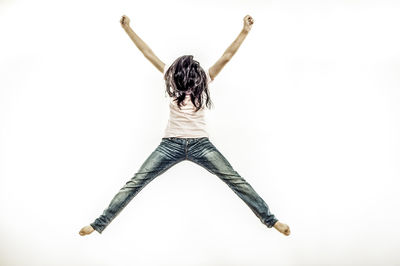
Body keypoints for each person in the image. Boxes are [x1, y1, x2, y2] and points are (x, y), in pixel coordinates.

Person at [79, 14, 290, 236]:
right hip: (170, 144)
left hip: (201, 145)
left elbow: (227, 56)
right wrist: (127, 28)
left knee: (235, 180)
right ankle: (99, 224)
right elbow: (146, 52)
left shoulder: (204, 79)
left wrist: (245, 31)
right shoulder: (170, 77)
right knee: (136, 182)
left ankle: (271, 220)